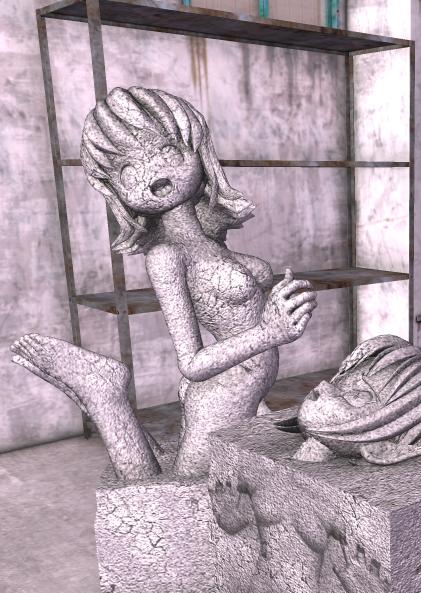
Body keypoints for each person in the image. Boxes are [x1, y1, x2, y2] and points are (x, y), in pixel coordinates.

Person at [11, 87, 316, 480]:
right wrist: (271, 332)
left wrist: (280, 307)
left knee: (182, 476)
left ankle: (107, 394)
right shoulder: (166, 256)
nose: (154, 175)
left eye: (168, 152)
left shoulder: (207, 236)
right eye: (127, 171)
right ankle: (105, 397)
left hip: (249, 390)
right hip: (224, 393)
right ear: (117, 190)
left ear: (197, 148)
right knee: (174, 494)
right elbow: (191, 364)